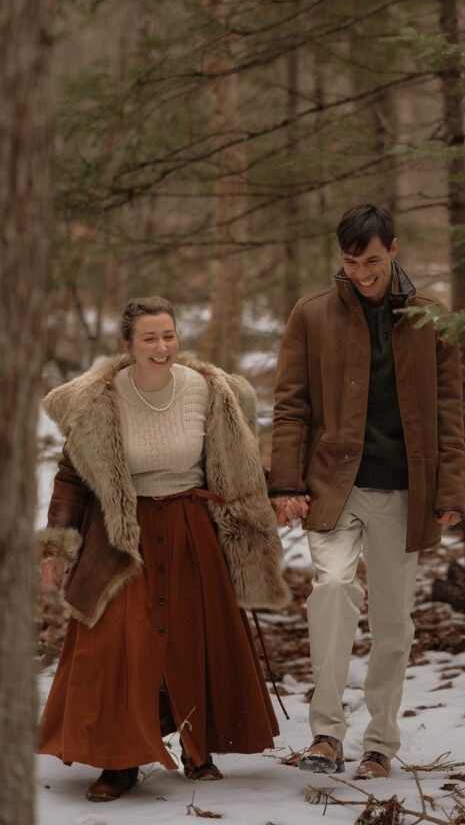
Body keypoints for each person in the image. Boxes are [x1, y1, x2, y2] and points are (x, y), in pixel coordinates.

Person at [39, 295, 289, 802]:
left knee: (192, 638)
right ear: (127, 344)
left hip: (191, 528)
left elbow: (237, 463)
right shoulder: (97, 400)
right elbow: (71, 478)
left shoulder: (209, 390)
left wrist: (276, 500)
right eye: (150, 337)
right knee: (118, 643)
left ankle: (198, 748)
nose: (162, 346)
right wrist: (56, 547)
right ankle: (119, 759)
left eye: (169, 335)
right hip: (120, 536)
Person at [268, 204, 465, 781]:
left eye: (373, 261)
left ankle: (379, 744)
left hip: (405, 489)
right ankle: (327, 736)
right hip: (334, 487)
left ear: (394, 250)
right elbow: (291, 408)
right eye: (352, 262)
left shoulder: (431, 316)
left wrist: (450, 487)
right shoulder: (312, 314)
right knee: (330, 589)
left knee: (394, 623)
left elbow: (450, 409)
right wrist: (284, 482)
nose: (362, 273)